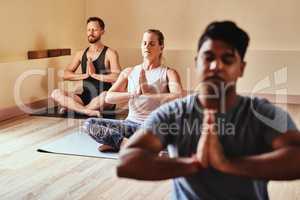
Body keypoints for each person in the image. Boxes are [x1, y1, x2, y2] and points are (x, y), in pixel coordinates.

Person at [117, 21, 300, 200]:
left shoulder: (260, 113)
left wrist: (228, 164)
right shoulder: (173, 113)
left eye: (227, 59)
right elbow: (127, 162)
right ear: (197, 62)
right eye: (209, 57)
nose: (215, 66)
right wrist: (192, 164)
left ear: (241, 68)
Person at [83, 29, 185, 152]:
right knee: (89, 124)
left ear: (161, 47)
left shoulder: (169, 73)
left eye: (152, 44)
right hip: (131, 124)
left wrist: (150, 94)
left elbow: (178, 96)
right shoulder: (129, 71)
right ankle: (123, 143)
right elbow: (108, 97)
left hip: (154, 127)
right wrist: (133, 94)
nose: (147, 46)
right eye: (144, 43)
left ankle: (117, 142)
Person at [51, 17, 121, 117]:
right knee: (55, 93)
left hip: (102, 98)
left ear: (102, 31)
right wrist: (85, 75)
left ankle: (74, 108)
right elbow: (65, 74)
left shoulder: (110, 53)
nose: (91, 32)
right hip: (84, 97)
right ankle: (86, 110)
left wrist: (94, 75)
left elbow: (117, 77)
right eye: (88, 30)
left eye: (95, 30)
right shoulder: (80, 53)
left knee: (106, 95)